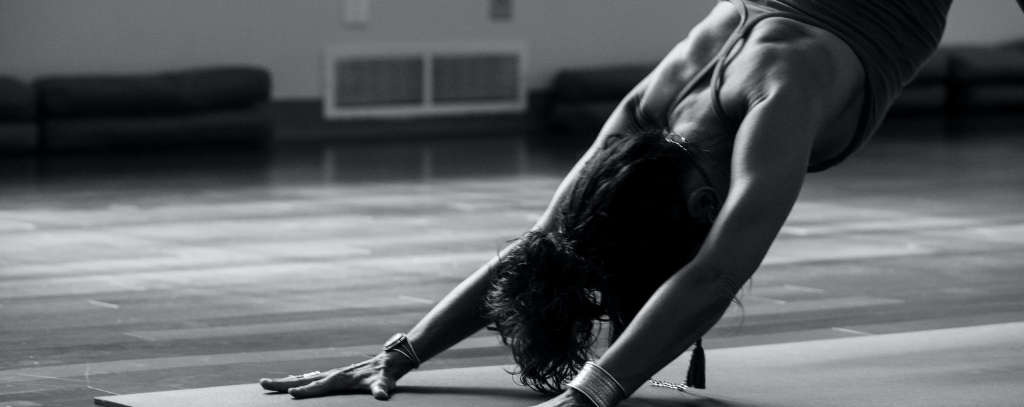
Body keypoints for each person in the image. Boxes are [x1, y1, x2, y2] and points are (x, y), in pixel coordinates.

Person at [261, 1, 1024, 406]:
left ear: (700, 204)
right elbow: (544, 242)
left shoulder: (779, 93)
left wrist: (592, 395)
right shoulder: (645, 115)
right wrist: (403, 351)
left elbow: (714, 276)